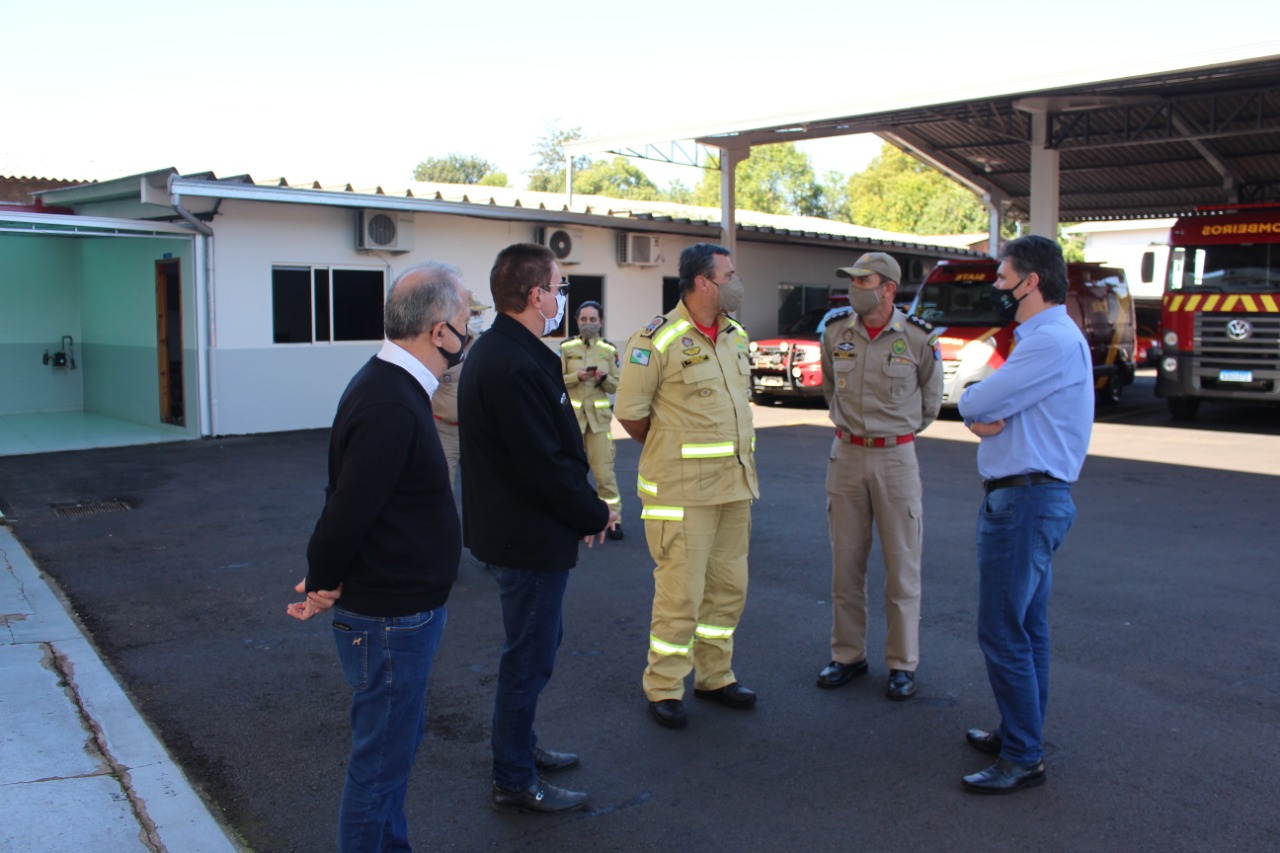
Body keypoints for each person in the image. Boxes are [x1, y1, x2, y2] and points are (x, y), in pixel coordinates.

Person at [286, 261, 470, 852]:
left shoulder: (395, 387)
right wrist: (323, 578)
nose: (472, 330)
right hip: (390, 620)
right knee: (380, 767)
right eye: (468, 318)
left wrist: (328, 575)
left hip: (399, 610)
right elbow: (348, 508)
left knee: (393, 753)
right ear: (439, 331)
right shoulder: (390, 399)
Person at [458, 242, 617, 815]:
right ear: (535, 295)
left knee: (533, 649)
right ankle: (514, 777)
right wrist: (594, 512)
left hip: (519, 533)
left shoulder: (509, 352)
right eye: (559, 287)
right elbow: (542, 463)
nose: (563, 299)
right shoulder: (514, 361)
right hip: (525, 539)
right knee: (528, 658)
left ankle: (519, 748)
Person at [957, 235, 1093, 794]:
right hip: (1031, 498)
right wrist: (989, 410)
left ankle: (1022, 755)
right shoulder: (1049, 337)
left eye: (1002, 276)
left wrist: (973, 401)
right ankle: (1020, 732)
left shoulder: (1048, 342)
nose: (996, 285)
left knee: (1004, 631)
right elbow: (998, 407)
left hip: (1025, 503)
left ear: (1030, 282)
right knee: (1027, 627)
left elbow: (977, 403)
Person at [614, 242, 759, 730]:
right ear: (703, 282)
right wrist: (672, 451)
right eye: (729, 274)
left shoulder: (736, 336)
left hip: (733, 487)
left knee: (727, 590)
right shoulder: (658, 338)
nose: (736, 282)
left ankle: (716, 676)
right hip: (680, 493)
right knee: (681, 595)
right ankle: (664, 686)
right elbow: (632, 414)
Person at [815, 252, 942, 701]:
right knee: (845, 567)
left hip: (895, 459)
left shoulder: (918, 339)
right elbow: (831, 387)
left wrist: (892, 432)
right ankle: (848, 655)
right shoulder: (835, 332)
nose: (854, 288)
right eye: (852, 280)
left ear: (888, 288)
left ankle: (902, 663)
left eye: (862, 280)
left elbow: (929, 403)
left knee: (902, 569)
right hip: (846, 455)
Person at [560, 300, 624, 540]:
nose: (588, 324)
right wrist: (576, 376)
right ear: (577, 321)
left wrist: (603, 378)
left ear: (601, 322)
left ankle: (613, 520)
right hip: (572, 422)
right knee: (572, 474)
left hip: (598, 422)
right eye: (584, 319)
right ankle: (576, 520)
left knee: (604, 473)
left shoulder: (609, 351)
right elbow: (557, 380)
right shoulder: (567, 348)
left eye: (593, 319)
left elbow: (616, 385)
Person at [433, 290, 491, 488]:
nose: (477, 318)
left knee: (482, 489)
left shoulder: (484, 346)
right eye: (473, 314)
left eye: (479, 314)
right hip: (444, 431)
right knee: (442, 488)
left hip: (475, 430)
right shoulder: (438, 346)